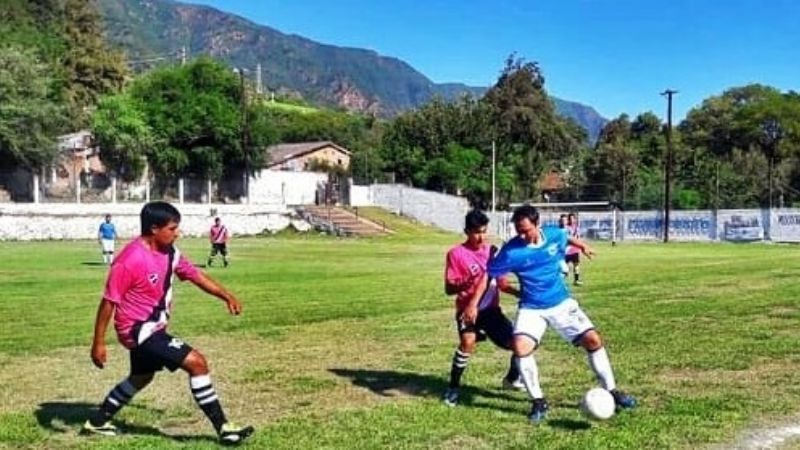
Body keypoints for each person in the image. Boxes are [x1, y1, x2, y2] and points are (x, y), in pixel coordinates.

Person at [83, 201, 254, 445]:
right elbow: (108, 302)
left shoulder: (171, 253)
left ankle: (97, 422)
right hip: (137, 329)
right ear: (154, 229)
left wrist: (226, 295)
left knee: (141, 378)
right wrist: (98, 343)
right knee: (197, 363)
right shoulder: (129, 260)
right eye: (172, 229)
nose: (178, 233)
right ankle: (225, 428)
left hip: (153, 327)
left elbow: (197, 276)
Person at [485, 204, 636, 423]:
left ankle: (612, 391)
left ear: (537, 224)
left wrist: (582, 245)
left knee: (593, 340)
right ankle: (538, 401)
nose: (522, 235)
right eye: (518, 230)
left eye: (526, 230)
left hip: (561, 303)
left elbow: (566, 237)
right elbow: (490, 271)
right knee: (520, 347)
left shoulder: (554, 234)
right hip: (531, 308)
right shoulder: (511, 250)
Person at [442, 209, 523, 407]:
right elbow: (449, 289)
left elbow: (502, 284)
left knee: (519, 344)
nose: (481, 237)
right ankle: (453, 388)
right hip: (467, 310)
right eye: (476, 232)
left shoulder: (492, 252)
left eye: (484, 231)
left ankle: (511, 379)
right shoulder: (455, 254)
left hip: (491, 312)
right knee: (468, 342)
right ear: (466, 231)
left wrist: (520, 293)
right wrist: (465, 280)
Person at [565, 212, 583, 286]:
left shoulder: (577, 227)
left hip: (575, 250)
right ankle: (562, 282)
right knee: (565, 267)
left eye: (573, 218)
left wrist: (580, 247)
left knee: (576, 265)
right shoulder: (566, 227)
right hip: (567, 250)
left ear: (575, 219)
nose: (571, 220)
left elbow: (578, 238)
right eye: (570, 218)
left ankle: (576, 280)